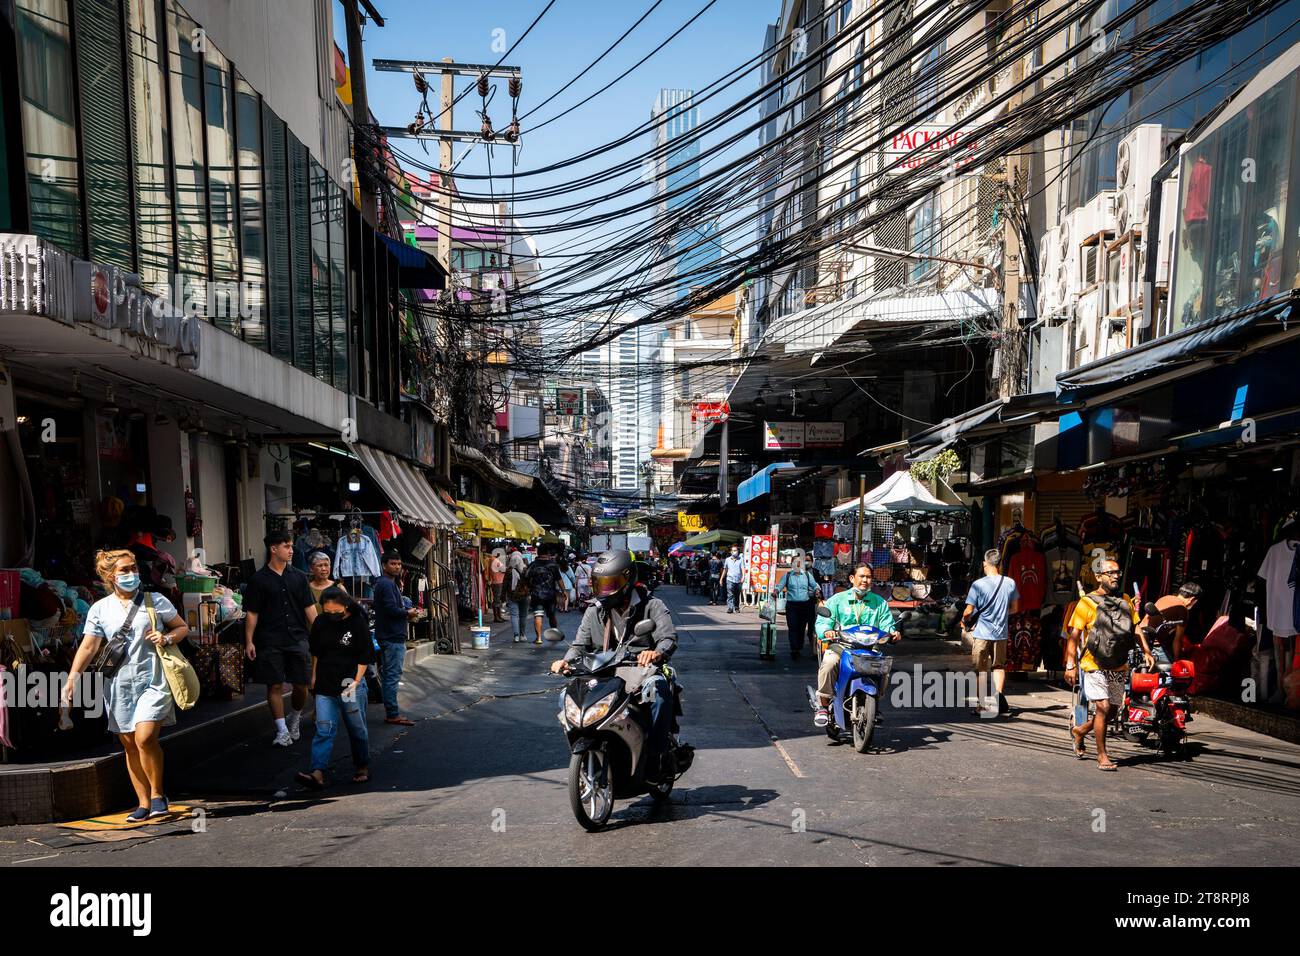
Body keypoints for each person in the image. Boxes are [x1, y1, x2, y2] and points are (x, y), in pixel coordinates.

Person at [64, 550, 190, 822]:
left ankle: (158, 795)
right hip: (118, 684)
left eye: (133, 568)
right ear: (110, 576)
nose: (132, 573)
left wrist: (166, 637)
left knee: (145, 737)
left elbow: (182, 628)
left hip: (153, 679)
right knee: (130, 744)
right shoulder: (100, 608)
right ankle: (143, 803)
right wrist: (72, 678)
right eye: (125, 570)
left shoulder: (154, 600)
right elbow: (89, 646)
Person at [549, 550, 678, 777]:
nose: (605, 590)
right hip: (602, 672)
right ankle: (587, 747)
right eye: (601, 584)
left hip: (640, 671)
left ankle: (657, 756)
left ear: (628, 579)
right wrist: (565, 662)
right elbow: (580, 645)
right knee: (564, 697)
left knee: (658, 690)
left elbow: (668, 638)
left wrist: (655, 654)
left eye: (612, 584)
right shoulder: (593, 610)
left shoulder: (652, 605)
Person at [1066, 558, 1155, 771]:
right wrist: (1070, 664)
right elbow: (1074, 635)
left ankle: (1080, 731)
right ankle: (1102, 756)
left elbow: (1135, 627)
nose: (1116, 576)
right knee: (1103, 707)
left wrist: (1146, 650)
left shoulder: (1125, 600)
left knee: (1112, 711)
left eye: (1117, 572)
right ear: (1099, 577)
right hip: (1093, 663)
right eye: (1110, 573)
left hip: (1117, 664)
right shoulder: (1086, 603)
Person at [244, 530, 318, 746]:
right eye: (286, 546)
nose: (291, 550)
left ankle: (294, 718)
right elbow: (252, 613)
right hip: (269, 639)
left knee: (302, 684)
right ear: (273, 549)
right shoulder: (258, 580)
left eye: (291, 545)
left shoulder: (299, 577)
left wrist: (322, 633)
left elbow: (310, 609)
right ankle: (281, 730)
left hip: (297, 638)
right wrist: (249, 641)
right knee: (274, 685)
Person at [296, 586, 374, 789]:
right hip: (325, 684)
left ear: (346, 606)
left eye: (336, 612)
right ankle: (317, 772)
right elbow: (315, 651)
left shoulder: (357, 622)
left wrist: (356, 682)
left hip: (348, 683)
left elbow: (365, 655)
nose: (331, 616)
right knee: (324, 729)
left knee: (356, 728)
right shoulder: (321, 622)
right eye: (327, 611)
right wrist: (313, 676)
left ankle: (361, 766)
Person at [811, 564, 901, 727]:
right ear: (852, 579)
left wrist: (892, 633)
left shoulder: (879, 603)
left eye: (868, 577)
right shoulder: (837, 600)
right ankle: (823, 705)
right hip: (842, 646)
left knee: (883, 667)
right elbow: (824, 621)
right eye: (861, 576)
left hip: (869, 648)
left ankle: (874, 703)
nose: (865, 580)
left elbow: (887, 625)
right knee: (829, 664)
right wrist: (827, 631)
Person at [962, 549, 1021, 717]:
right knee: (999, 667)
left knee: (980, 670)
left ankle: (980, 706)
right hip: (1001, 634)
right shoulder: (1010, 583)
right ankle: (999, 699)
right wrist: (1002, 614)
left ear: (985, 564)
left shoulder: (978, 585)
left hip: (981, 634)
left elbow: (968, 611)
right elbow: (1015, 608)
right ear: (1000, 564)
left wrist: (964, 621)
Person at [374, 550, 421, 725]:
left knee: (389, 675)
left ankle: (391, 711)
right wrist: (408, 612)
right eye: (393, 564)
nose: (397, 567)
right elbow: (391, 610)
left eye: (399, 564)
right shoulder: (386, 584)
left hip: (390, 634)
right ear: (384, 565)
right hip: (391, 636)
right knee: (392, 676)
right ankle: (392, 713)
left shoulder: (389, 583)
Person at [1137, 582, 1202, 663]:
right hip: (1153, 645)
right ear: (1192, 599)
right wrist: (1177, 661)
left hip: (1138, 638)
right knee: (1169, 670)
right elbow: (1177, 640)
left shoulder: (1165, 597)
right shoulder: (1183, 609)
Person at [780, 555, 819, 660]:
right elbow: (779, 586)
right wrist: (775, 591)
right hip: (792, 605)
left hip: (804, 605)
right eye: (795, 562)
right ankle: (794, 649)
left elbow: (815, 585)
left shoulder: (807, 575)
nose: (797, 564)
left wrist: (816, 590)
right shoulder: (788, 575)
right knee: (792, 627)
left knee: (801, 628)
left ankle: (799, 645)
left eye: (799, 562)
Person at [525, 549, 562, 644]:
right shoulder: (553, 565)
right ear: (548, 553)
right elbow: (559, 579)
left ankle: (539, 638)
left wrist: (529, 588)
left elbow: (526, 578)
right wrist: (563, 591)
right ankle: (554, 635)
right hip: (550, 595)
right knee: (552, 615)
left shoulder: (533, 565)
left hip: (537, 594)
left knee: (538, 615)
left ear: (538, 553)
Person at [507, 557, 531, 643]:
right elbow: (530, 582)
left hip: (512, 596)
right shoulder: (526, 571)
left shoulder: (509, 571)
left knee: (514, 615)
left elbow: (505, 584)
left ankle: (516, 636)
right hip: (524, 595)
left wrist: (502, 596)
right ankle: (522, 635)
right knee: (523, 616)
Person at [721, 545, 745, 613]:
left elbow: (743, 568)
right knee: (730, 594)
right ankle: (730, 608)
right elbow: (725, 569)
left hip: (738, 580)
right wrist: (721, 578)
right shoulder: (727, 559)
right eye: (733, 550)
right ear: (731, 552)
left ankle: (736, 607)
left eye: (736, 550)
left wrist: (743, 577)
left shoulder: (741, 559)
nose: (735, 552)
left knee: (737, 594)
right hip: (730, 579)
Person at [489, 550, 507, 623]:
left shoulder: (491, 559)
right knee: (497, 599)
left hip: (495, 581)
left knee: (497, 599)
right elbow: (503, 569)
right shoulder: (495, 560)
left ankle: (498, 616)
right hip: (497, 581)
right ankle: (497, 617)